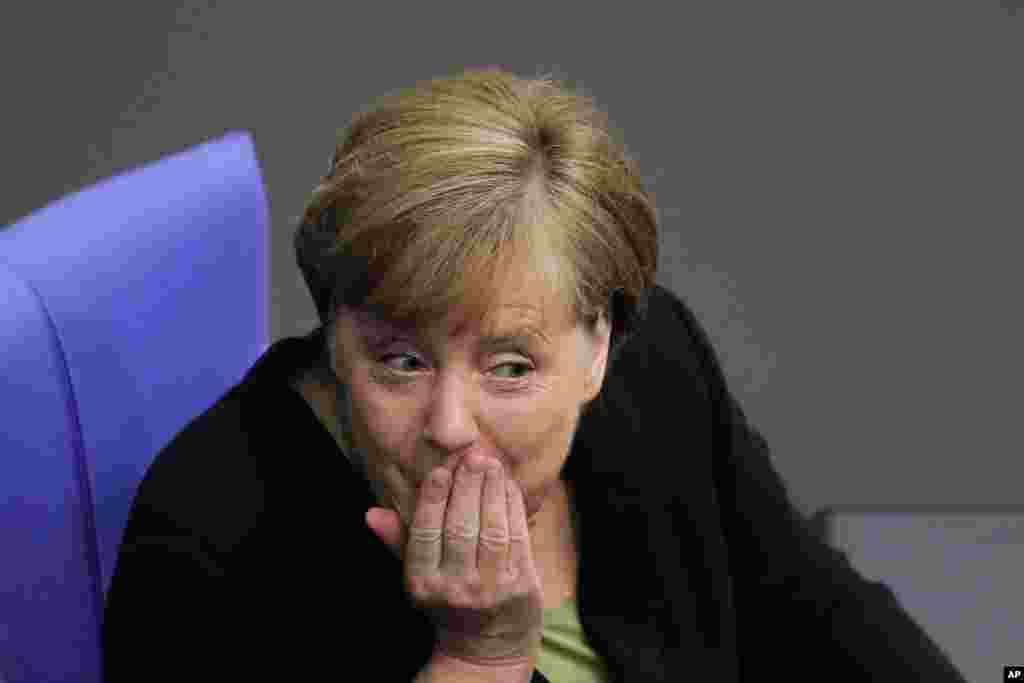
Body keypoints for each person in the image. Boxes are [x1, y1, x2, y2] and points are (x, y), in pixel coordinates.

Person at [101, 67, 968, 682]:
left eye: (510, 367)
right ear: (335, 336)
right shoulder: (207, 539)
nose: (450, 423)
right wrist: (478, 659)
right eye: (400, 360)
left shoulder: (656, 373)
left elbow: (825, 618)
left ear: (599, 345)